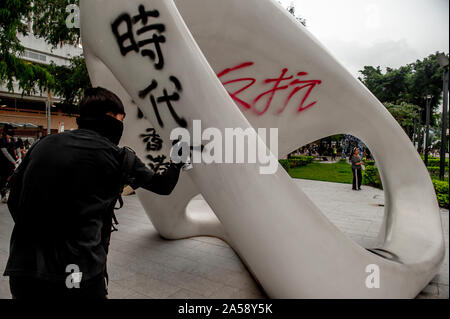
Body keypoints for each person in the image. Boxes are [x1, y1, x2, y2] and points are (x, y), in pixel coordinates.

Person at [3, 87, 185, 299]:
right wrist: (177, 161)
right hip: (78, 273)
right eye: (121, 118)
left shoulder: (42, 145)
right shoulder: (119, 157)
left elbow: (14, 199)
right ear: (110, 117)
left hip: (25, 271)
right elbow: (163, 186)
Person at [0, 125, 17, 203]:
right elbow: (5, 152)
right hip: (3, 164)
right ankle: (3, 196)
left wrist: (18, 158)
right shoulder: (1, 140)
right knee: (3, 179)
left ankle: (7, 194)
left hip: (11, 164)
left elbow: (15, 150)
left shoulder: (12, 140)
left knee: (10, 179)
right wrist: (13, 161)